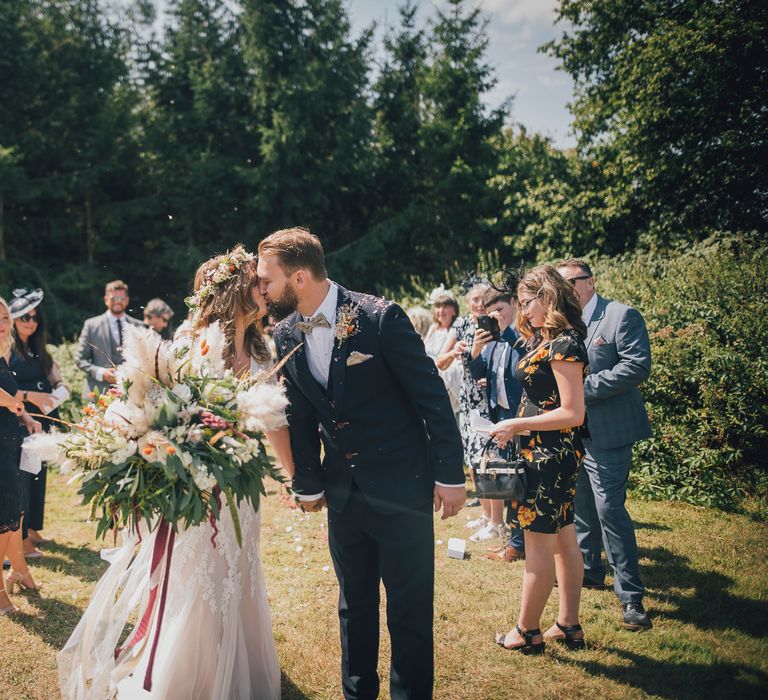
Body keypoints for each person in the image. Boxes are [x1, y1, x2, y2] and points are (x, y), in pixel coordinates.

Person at [58, 247, 291, 699]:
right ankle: (188, 675)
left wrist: (291, 472)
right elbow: (161, 407)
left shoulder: (265, 345)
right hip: (199, 488)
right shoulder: (193, 339)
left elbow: (274, 419)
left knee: (239, 570)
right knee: (200, 575)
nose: (266, 287)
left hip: (241, 487)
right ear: (234, 291)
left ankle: (237, 664)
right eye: (257, 282)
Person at [259, 227, 465, 700]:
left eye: (267, 280)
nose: (261, 290)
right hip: (344, 495)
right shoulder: (287, 331)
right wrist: (306, 482)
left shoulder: (380, 318)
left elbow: (431, 398)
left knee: (409, 611)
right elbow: (302, 413)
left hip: (403, 488)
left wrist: (450, 475)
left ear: (300, 278)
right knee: (354, 606)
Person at [490, 265, 589, 653]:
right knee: (564, 540)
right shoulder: (548, 340)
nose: (523, 310)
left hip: (549, 457)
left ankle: (527, 631)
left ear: (547, 298)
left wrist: (517, 423)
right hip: (546, 455)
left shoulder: (566, 344)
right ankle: (567, 624)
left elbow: (573, 412)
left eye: (527, 302)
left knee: (539, 545)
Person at [556, 258, 653, 631]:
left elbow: (636, 366)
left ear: (590, 282)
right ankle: (590, 571)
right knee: (580, 506)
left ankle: (631, 599)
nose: (565, 291)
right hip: (574, 432)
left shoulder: (621, 316)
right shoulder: (567, 324)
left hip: (609, 431)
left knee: (609, 509)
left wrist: (581, 392)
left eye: (570, 283)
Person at [436, 283, 505, 528]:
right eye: (474, 299)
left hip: (493, 397)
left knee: (491, 460)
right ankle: (486, 516)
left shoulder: (498, 321)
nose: (478, 303)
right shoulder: (462, 325)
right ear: (467, 302)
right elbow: (439, 362)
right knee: (476, 459)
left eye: (483, 299)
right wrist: (454, 352)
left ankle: (497, 521)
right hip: (469, 398)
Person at [9, 288, 71, 557]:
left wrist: (59, 391)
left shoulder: (38, 349)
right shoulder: (8, 349)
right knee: (23, 477)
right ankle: (20, 538)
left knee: (38, 475)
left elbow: (56, 377)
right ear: (13, 319)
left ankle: (33, 527)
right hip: (21, 419)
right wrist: (31, 395)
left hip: (43, 417)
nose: (31, 322)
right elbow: (7, 388)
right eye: (25, 317)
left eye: (35, 317)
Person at [468, 286, 525, 559]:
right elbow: (480, 374)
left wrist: (507, 331)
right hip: (500, 416)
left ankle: (518, 543)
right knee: (508, 479)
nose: (497, 318)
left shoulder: (523, 335)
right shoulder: (494, 341)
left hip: (522, 417)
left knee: (520, 480)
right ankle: (514, 541)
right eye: (492, 314)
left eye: (501, 311)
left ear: (514, 304)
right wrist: (476, 350)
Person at [0, 296, 42, 617]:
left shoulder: (2, 358)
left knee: (15, 516)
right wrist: (8, 402)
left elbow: (13, 399)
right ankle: (0, 591)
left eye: (4, 318)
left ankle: (19, 571)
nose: (2, 325)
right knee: (4, 518)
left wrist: (26, 417)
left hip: (10, 441)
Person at [75, 280, 143, 399]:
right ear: (106, 299)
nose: (117, 302)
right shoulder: (91, 325)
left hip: (133, 394)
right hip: (100, 395)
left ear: (127, 300)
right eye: (113, 298)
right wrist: (101, 373)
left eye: (121, 299)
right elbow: (79, 359)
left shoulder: (138, 326)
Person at [423, 287, 461, 416]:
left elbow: (442, 356)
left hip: (444, 371)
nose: (441, 311)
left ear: (454, 311)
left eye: (445, 307)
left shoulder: (454, 329)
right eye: (438, 307)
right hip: (429, 367)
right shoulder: (433, 328)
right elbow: (422, 349)